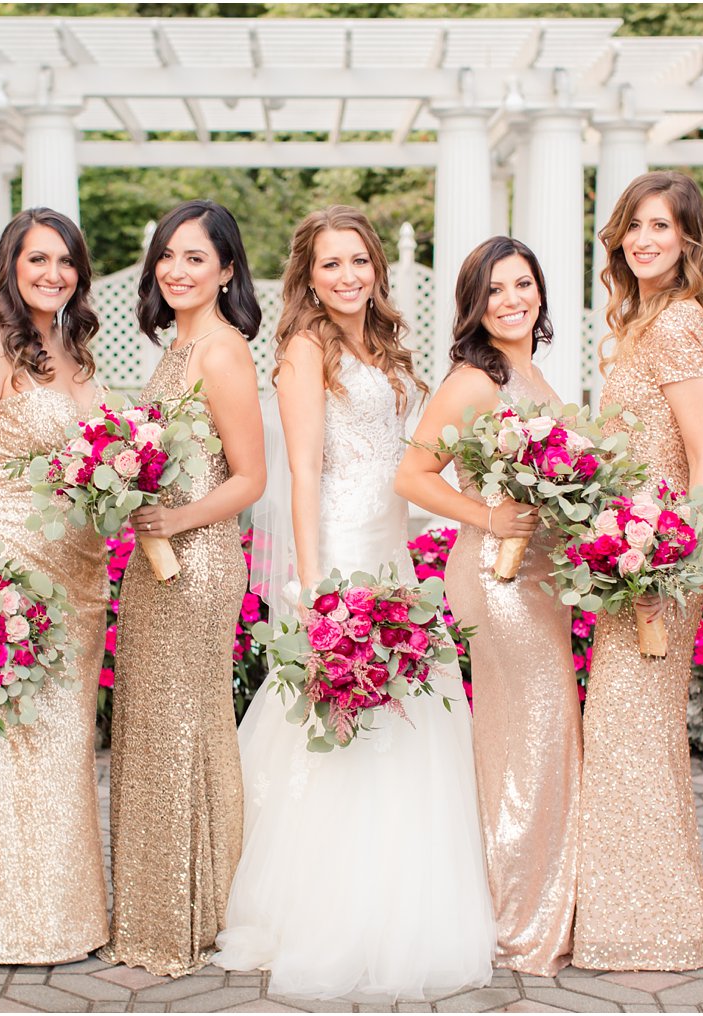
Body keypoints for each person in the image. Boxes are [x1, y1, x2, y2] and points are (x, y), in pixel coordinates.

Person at [216, 207, 494, 1000]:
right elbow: (304, 471)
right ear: (307, 275)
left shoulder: (385, 345)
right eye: (331, 265)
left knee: (410, 716)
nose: (347, 277)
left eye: (359, 262)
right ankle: (325, 909)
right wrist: (314, 589)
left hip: (393, 553)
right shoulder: (307, 350)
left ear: (377, 268)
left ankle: (403, 899)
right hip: (339, 552)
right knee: (339, 718)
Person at [394, 235, 578, 977]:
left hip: (538, 576)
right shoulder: (475, 379)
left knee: (538, 731)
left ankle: (541, 900)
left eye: (523, 284)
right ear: (475, 304)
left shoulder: (529, 370)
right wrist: (488, 517)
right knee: (528, 736)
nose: (512, 299)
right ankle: (516, 920)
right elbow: (412, 474)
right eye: (495, 289)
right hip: (497, 577)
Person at [0, 208, 110, 964]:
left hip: (81, 570)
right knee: (6, 739)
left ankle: (66, 917)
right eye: (37, 259)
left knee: (67, 744)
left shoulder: (74, 346)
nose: (52, 274)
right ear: (11, 264)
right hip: (14, 570)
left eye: (65, 261)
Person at [103, 200, 266, 977]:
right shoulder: (177, 347)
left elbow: (251, 478)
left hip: (197, 560)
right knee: (156, 728)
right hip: (156, 552)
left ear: (227, 270)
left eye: (196, 257)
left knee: (185, 731)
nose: (176, 269)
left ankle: (187, 915)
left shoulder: (223, 351)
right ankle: (160, 905)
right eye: (167, 254)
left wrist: (176, 520)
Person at [572, 171, 703, 973]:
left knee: (630, 730)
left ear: (688, 239)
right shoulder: (637, 321)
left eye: (660, 226)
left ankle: (648, 925)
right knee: (633, 734)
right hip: (623, 560)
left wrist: (676, 559)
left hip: (659, 565)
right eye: (633, 225)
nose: (643, 240)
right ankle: (644, 913)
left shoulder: (680, 323)